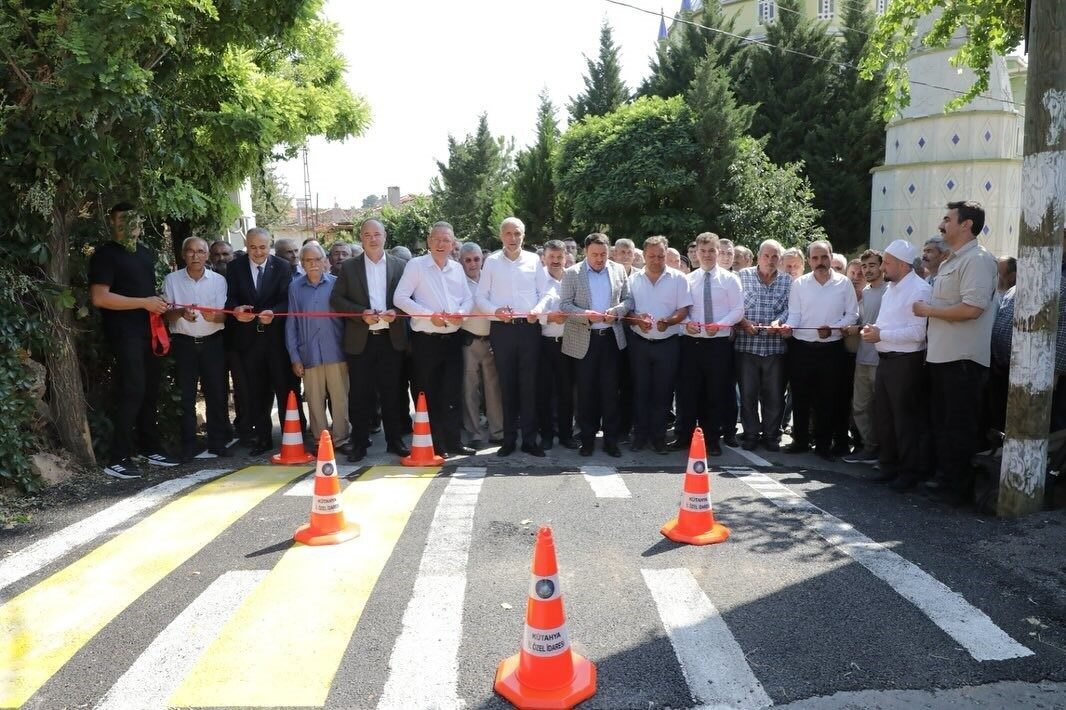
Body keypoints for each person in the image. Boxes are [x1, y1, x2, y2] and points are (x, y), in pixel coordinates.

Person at [914, 201, 998, 504]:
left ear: (967, 224)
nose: (941, 224)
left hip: (963, 359)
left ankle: (956, 489)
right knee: (943, 424)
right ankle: (944, 479)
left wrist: (928, 310)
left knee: (959, 427)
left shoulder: (977, 260)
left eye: (947, 219)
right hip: (941, 356)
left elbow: (973, 308)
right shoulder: (952, 260)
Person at [88, 203, 178, 478]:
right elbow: (99, 298)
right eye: (124, 220)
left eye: (136, 219)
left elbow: (145, 296)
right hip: (123, 333)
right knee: (133, 389)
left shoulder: (145, 254)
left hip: (148, 331)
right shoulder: (105, 255)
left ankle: (149, 446)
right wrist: (144, 303)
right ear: (112, 223)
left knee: (150, 388)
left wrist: (156, 304)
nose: (132, 224)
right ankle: (118, 457)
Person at [330, 219, 411, 463]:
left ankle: (394, 440)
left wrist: (397, 311)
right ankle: (360, 442)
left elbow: (410, 299)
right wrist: (360, 313)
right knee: (360, 395)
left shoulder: (400, 266)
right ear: (361, 238)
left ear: (385, 236)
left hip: (391, 339)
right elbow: (336, 300)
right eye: (367, 234)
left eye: (377, 234)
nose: (373, 239)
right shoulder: (350, 267)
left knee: (393, 393)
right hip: (360, 340)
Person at [394, 222, 474, 458]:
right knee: (428, 393)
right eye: (437, 239)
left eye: (446, 240)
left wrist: (462, 313)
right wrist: (430, 316)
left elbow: (468, 298)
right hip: (426, 340)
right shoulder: (416, 265)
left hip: (453, 339)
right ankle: (436, 444)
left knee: (452, 392)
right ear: (429, 241)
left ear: (453, 244)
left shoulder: (457, 269)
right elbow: (400, 298)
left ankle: (454, 442)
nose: (441, 244)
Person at [863, 240, 933, 490]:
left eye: (888, 263)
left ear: (903, 265)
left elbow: (917, 333)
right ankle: (889, 465)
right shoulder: (892, 288)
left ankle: (910, 471)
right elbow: (888, 323)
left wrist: (880, 335)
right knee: (885, 417)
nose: (883, 268)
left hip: (905, 363)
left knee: (905, 420)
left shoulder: (919, 290)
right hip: (887, 360)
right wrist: (875, 331)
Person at [781, 239, 858, 460]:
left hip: (831, 350)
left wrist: (833, 330)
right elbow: (794, 314)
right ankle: (800, 440)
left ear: (831, 257)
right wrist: (788, 326)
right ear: (809, 261)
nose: (820, 262)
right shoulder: (800, 284)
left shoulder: (844, 283)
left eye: (824, 257)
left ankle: (824, 445)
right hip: (801, 348)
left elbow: (852, 315)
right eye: (815, 258)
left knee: (827, 398)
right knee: (800, 396)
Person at [559, 233, 634, 457]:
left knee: (611, 392)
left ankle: (611, 440)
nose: (599, 258)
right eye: (594, 254)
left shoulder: (618, 270)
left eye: (603, 254)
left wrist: (618, 312)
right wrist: (584, 315)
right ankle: (588, 440)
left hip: (611, 338)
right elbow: (564, 305)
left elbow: (628, 300)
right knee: (586, 393)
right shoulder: (572, 273)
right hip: (584, 340)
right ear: (585, 252)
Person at [476, 217, 546, 457]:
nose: (513, 238)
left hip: (529, 329)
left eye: (517, 233)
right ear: (501, 236)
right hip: (502, 330)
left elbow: (545, 293)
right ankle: (508, 440)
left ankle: (529, 440)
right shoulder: (492, 262)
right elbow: (480, 297)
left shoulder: (534, 260)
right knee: (506, 385)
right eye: (508, 233)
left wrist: (539, 308)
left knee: (530, 385)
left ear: (523, 235)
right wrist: (494, 311)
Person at [225, 227, 295, 456]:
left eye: (262, 247)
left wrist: (273, 313)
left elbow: (288, 300)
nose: (257, 252)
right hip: (248, 340)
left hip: (276, 340)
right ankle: (262, 438)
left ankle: (291, 436)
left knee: (284, 388)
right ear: (247, 246)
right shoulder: (235, 267)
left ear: (270, 245)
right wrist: (236, 310)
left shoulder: (283, 266)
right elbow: (231, 298)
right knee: (255, 392)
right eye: (252, 247)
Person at [673, 232, 743, 456]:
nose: (707, 255)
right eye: (702, 251)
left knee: (715, 393)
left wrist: (721, 325)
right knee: (687, 393)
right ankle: (683, 437)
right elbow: (680, 310)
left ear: (718, 251)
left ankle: (712, 440)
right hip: (692, 344)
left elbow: (738, 310)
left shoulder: (730, 280)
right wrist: (686, 323)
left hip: (718, 345)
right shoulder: (688, 280)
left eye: (711, 250)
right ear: (695, 254)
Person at [163, 237, 230, 461]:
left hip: (213, 343)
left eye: (200, 251)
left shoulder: (219, 280)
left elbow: (224, 315)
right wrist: (181, 312)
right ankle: (188, 445)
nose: (195, 256)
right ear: (183, 255)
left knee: (216, 393)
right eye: (190, 251)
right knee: (186, 396)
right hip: (184, 344)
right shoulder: (171, 280)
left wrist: (215, 315)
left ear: (206, 255)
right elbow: (165, 314)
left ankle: (218, 442)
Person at [627, 236, 693, 453]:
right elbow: (626, 309)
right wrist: (636, 318)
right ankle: (639, 436)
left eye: (661, 256)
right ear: (644, 255)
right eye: (652, 256)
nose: (656, 260)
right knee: (639, 390)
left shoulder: (678, 279)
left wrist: (670, 321)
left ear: (667, 255)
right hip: (639, 343)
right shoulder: (633, 280)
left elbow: (684, 309)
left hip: (668, 344)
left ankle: (658, 438)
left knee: (663, 393)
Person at [286, 242, 348, 446]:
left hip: (336, 352)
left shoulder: (337, 284)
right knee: (314, 400)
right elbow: (291, 323)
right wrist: (295, 356)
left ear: (325, 262)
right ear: (302, 264)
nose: (313, 264)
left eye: (317, 259)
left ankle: (341, 439)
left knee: (340, 399)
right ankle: (321, 441)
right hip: (309, 353)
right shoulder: (295, 287)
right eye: (308, 260)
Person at [734, 239, 791, 452]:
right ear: (758, 257)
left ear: (780, 259)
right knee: (747, 395)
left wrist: (780, 322)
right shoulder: (741, 277)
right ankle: (750, 434)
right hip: (746, 346)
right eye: (766, 255)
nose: (770, 260)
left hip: (775, 348)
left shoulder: (788, 281)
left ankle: (770, 436)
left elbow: (791, 309)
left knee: (774, 396)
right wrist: (742, 322)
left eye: (775, 256)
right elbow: (734, 306)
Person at [842, 250, 887, 464]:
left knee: (881, 409)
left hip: (883, 359)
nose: (867, 270)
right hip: (862, 357)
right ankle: (870, 448)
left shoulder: (890, 290)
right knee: (860, 407)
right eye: (864, 266)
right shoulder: (864, 293)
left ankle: (884, 452)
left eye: (872, 265)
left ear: (882, 266)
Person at [531, 240, 577, 450]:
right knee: (544, 392)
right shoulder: (536, 279)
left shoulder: (573, 278)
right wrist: (548, 318)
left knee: (567, 392)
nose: (556, 261)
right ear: (544, 258)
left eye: (560, 257)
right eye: (552, 257)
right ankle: (547, 434)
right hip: (544, 344)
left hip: (569, 343)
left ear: (565, 258)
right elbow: (530, 309)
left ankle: (566, 434)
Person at [458, 242, 504, 448]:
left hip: (492, 341)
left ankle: (497, 431)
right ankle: (474, 433)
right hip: (469, 342)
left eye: (476, 259)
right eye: (467, 260)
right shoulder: (457, 282)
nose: (473, 263)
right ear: (461, 262)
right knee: (470, 390)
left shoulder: (491, 280)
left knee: (494, 389)